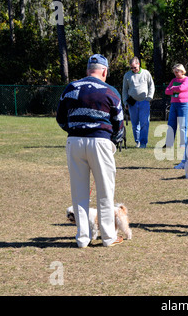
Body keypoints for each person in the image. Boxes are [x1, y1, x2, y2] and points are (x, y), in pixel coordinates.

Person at [56, 54, 125, 248]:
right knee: (105, 192)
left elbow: (60, 118)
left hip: (75, 142)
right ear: (104, 71)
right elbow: (119, 123)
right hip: (100, 142)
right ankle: (108, 237)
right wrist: (114, 139)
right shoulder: (110, 91)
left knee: (79, 193)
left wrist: (75, 131)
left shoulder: (71, 88)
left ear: (88, 70)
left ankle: (82, 238)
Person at [122, 57, 155, 148]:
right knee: (134, 124)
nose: (133, 69)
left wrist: (149, 97)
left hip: (144, 101)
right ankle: (137, 142)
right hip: (132, 102)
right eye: (131, 68)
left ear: (138, 64)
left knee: (144, 123)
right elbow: (124, 90)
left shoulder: (146, 73)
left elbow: (151, 85)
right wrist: (125, 102)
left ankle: (143, 143)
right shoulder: (127, 75)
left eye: (135, 67)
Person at [164, 64, 188, 163]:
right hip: (174, 104)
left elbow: (182, 88)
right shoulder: (173, 80)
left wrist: (173, 89)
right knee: (171, 123)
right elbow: (167, 91)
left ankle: (183, 144)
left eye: (177, 71)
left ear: (182, 71)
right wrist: (174, 89)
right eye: (174, 72)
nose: (176, 74)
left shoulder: (187, 79)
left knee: (182, 125)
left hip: (183, 104)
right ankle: (169, 143)